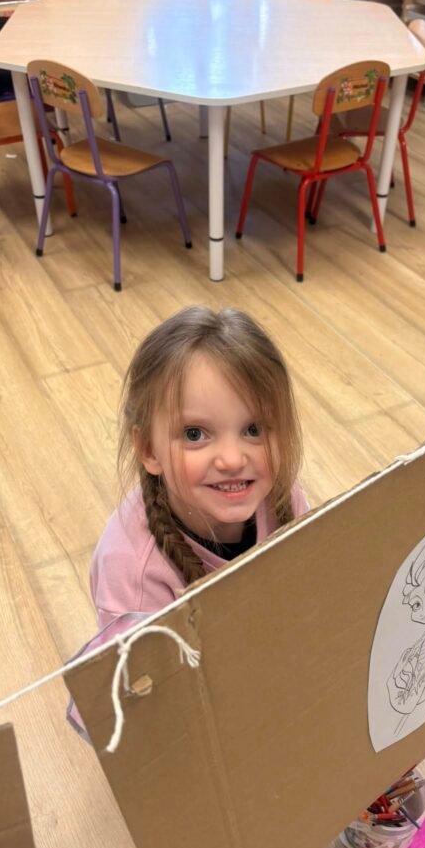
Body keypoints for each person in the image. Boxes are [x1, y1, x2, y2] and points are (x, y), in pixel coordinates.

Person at [68, 306, 309, 737]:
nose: (232, 459)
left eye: (254, 429)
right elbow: (150, 714)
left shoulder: (282, 497)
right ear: (149, 450)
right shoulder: (131, 570)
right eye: (195, 434)